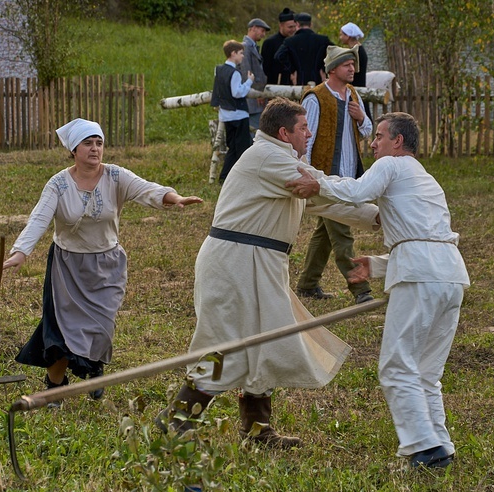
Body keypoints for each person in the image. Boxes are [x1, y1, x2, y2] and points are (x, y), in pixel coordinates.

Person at [155, 97, 380, 448]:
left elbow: (321, 199)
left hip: (258, 261)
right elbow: (320, 186)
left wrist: (374, 216)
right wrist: (374, 206)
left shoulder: (283, 159)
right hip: (236, 262)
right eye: (303, 128)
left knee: (267, 342)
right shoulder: (268, 158)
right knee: (227, 344)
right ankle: (176, 420)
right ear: (283, 132)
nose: (309, 134)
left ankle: (258, 431)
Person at [286, 112, 470, 468]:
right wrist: (380, 264)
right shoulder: (428, 181)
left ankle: (423, 449)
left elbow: (357, 193)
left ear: (398, 142)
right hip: (449, 277)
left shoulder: (392, 166)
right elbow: (427, 237)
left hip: (421, 276)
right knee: (426, 372)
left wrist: (317, 184)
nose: (373, 143)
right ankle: (440, 445)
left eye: (380, 136)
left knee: (397, 367)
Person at [3, 118, 202, 408]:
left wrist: (174, 197)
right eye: (88, 143)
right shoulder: (58, 184)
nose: (95, 149)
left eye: (99, 143)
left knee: (101, 328)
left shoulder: (115, 177)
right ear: (74, 149)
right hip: (66, 268)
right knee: (58, 332)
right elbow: (39, 218)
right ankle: (55, 389)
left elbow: (146, 189)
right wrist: (21, 251)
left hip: (107, 266)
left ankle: (94, 368)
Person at [295, 45, 373, 304]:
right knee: (341, 233)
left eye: (353, 64)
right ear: (332, 69)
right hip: (324, 178)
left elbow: (367, 131)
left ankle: (307, 284)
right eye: (347, 64)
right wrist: (307, 172)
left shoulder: (352, 94)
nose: (352, 68)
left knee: (325, 232)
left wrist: (361, 117)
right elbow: (306, 138)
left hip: (348, 176)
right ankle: (361, 290)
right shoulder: (315, 98)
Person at [210, 40, 254, 183]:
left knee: (232, 148)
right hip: (238, 114)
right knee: (242, 147)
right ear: (233, 53)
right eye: (240, 53)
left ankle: (225, 176)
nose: (242, 56)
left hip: (226, 114)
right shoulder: (234, 72)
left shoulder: (219, 70)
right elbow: (237, 92)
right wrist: (249, 82)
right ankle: (242, 177)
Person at [274, 12, 333, 86]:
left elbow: (279, 56)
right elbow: (335, 53)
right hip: (318, 78)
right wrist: (324, 68)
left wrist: (292, 69)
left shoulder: (290, 41)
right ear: (310, 24)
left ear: (297, 24)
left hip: (299, 78)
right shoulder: (323, 40)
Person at [239, 18, 270, 134]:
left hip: (257, 96)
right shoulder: (245, 47)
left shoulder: (252, 47)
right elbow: (246, 71)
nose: (263, 34)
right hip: (253, 98)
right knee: (255, 130)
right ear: (253, 29)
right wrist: (257, 92)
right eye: (262, 30)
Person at [338, 22, 371, 122]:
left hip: (357, 89)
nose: (340, 37)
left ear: (348, 36)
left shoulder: (357, 52)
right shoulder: (356, 50)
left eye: (342, 34)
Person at [261, 8, 297, 86]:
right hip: (275, 84)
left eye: (295, 27)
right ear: (281, 25)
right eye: (290, 27)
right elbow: (265, 68)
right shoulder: (270, 43)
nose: (293, 30)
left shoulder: (297, 41)